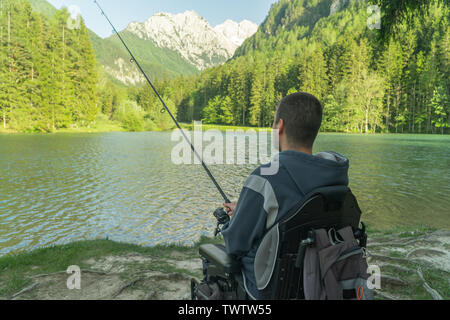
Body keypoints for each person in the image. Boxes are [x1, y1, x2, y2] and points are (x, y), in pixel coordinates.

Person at [220, 92, 350, 299]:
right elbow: (300, 212)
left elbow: (234, 244)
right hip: (321, 279)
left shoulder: (265, 178)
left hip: (269, 288)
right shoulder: (336, 176)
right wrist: (246, 208)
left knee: (217, 258)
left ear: (279, 127)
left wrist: (236, 219)